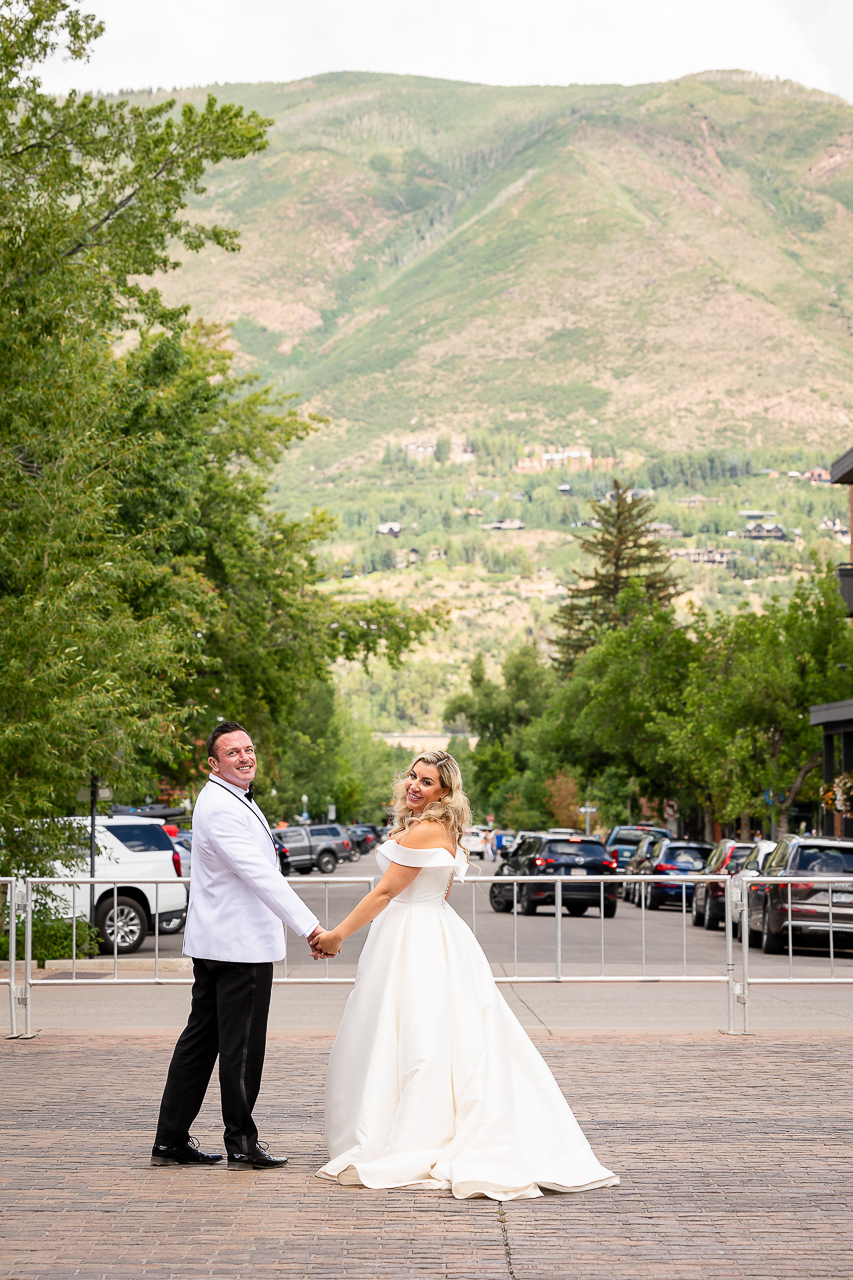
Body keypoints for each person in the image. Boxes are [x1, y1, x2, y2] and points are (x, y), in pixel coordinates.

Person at [312, 751, 619, 1200]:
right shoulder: (443, 830)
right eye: (413, 777)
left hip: (415, 937)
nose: (414, 786)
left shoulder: (426, 830)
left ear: (445, 792)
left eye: (428, 782)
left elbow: (384, 892)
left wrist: (337, 934)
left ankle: (417, 1131)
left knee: (417, 1038)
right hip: (429, 931)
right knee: (430, 1035)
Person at [151, 721, 322, 1170]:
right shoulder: (221, 806)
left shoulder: (227, 798)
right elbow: (260, 875)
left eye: (249, 749)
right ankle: (242, 1144)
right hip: (238, 946)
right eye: (233, 753)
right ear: (214, 763)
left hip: (219, 942)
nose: (245, 757)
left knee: (200, 1042)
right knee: (241, 1048)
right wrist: (309, 927)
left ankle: (170, 1141)